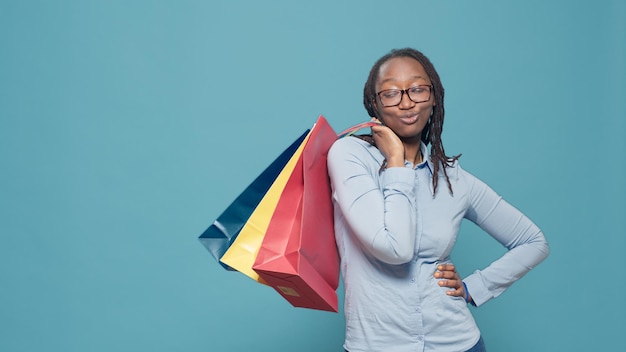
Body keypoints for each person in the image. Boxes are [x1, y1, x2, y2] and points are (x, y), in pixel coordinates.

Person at [326, 48, 550, 352]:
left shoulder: (454, 179)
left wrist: (475, 287)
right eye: (391, 93)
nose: (406, 102)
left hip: (458, 342)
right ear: (374, 103)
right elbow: (395, 249)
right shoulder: (349, 156)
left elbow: (533, 241)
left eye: (418, 89)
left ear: (434, 98)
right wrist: (396, 161)